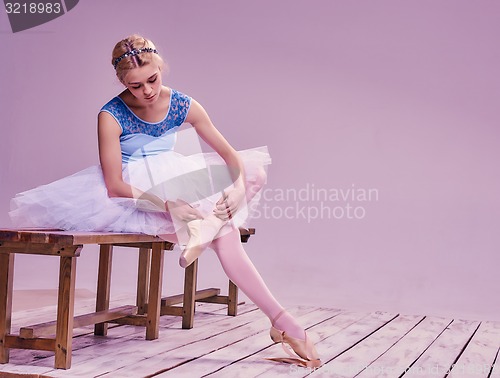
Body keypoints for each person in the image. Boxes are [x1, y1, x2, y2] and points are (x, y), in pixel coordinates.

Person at [9, 34, 320, 367]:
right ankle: (283, 321)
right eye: (135, 85)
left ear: (161, 66)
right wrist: (167, 203)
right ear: (122, 81)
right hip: (135, 192)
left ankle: (206, 233)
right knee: (226, 236)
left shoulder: (183, 104)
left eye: (152, 80)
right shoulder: (111, 115)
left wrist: (239, 188)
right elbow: (115, 185)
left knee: (254, 174)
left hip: (173, 174)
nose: (147, 91)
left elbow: (230, 156)